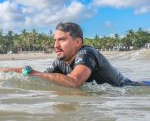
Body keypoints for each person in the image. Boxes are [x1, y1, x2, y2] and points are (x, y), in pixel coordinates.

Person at [0, 22, 149, 88]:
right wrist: (8, 71)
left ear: (78, 42)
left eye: (62, 40)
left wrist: (32, 72)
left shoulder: (86, 53)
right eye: (54, 40)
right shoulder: (59, 63)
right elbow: (44, 78)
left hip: (132, 87)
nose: (55, 45)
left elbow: (74, 82)